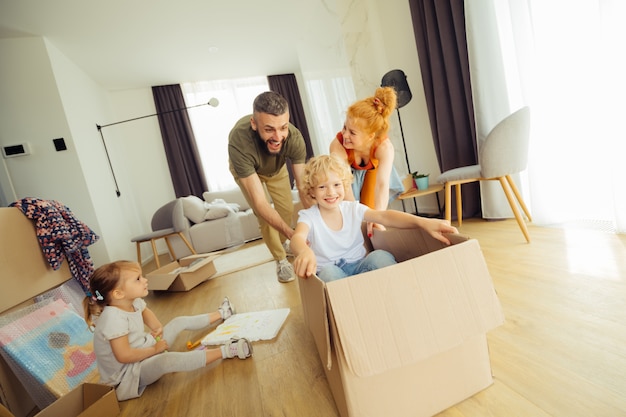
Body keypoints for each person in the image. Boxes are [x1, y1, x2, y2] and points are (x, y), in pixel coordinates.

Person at [82, 260, 252, 401]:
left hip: (145, 349)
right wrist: (155, 349)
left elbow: (149, 317)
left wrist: (157, 329)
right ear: (118, 294)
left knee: (179, 321)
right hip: (128, 375)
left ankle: (223, 313)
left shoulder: (132, 301)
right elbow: (124, 356)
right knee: (167, 361)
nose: (145, 280)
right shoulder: (112, 319)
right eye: (138, 279)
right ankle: (228, 350)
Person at [291, 154, 457, 281]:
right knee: (327, 273)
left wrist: (423, 222)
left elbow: (384, 217)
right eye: (322, 187)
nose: (331, 192)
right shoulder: (309, 216)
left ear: (344, 184)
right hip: (331, 272)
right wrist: (305, 251)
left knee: (381, 256)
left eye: (336, 185)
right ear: (311, 191)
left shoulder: (352, 208)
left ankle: (400, 291)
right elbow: (297, 237)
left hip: (360, 265)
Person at [228, 91, 311, 283]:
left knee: (287, 209)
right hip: (249, 171)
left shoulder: (294, 138)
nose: (278, 136)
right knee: (263, 216)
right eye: (269, 129)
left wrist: (320, 224)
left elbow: (303, 187)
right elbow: (260, 203)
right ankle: (280, 259)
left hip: (276, 168)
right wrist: (291, 233)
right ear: (254, 124)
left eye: (283, 127)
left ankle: (282, 244)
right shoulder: (239, 142)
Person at [329, 87, 405, 235]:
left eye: (352, 132)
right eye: (345, 127)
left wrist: (378, 218)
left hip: (373, 173)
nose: (344, 135)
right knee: (355, 220)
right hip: (348, 178)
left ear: (371, 136)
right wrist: (356, 218)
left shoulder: (385, 147)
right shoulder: (337, 146)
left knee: (373, 216)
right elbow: (345, 185)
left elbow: (382, 184)